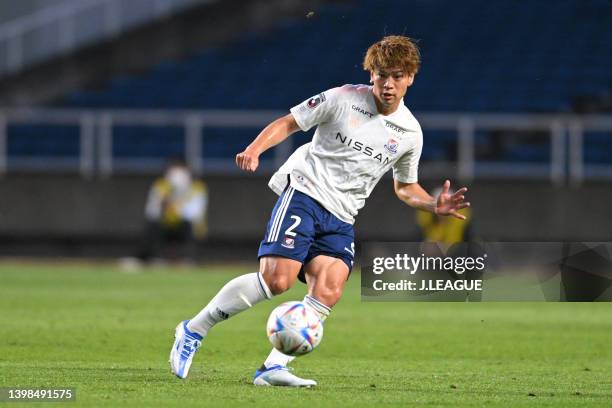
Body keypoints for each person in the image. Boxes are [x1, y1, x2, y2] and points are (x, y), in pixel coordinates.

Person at [169, 35, 470, 386]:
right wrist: (254, 150)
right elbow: (288, 123)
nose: (389, 84)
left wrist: (433, 203)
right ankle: (193, 330)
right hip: (306, 194)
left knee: (329, 287)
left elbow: (404, 188)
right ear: (370, 73)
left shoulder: (409, 133)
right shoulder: (342, 98)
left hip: (342, 216)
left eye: (398, 76)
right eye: (382, 74)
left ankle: (272, 368)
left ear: (411, 78)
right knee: (276, 280)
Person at [138, 159, 208, 263]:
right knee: (152, 225)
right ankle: (153, 258)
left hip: (187, 229)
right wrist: (162, 204)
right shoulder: (161, 185)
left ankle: (190, 259)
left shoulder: (197, 187)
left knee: (189, 225)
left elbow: (195, 213)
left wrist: (173, 206)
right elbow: (151, 212)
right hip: (166, 227)